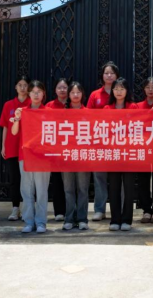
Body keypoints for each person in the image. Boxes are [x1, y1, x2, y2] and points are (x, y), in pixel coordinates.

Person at [11, 80, 51, 233]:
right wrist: (17, 118)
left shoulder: (48, 111)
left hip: (42, 156)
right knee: (26, 190)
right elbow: (14, 132)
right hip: (26, 155)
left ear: (43, 94)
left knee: (41, 191)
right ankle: (28, 222)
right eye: (33, 92)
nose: (36, 94)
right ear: (29, 94)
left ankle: (41, 222)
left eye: (39, 92)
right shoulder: (22, 111)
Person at [104, 78, 138, 231]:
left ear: (127, 91)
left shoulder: (133, 107)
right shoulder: (107, 108)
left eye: (122, 88)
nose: (119, 92)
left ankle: (127, 220)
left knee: (129, 188)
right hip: (113, 153)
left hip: (129, 153)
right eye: (116, 89)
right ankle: (115, 219)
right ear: (112, 91)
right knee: (114, 188)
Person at [87, 61, 119, 221]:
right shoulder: (95, 95)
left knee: (116, 178)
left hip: (117, 142)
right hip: (99, 141)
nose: (109, 76)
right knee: (99, 177)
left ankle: (117, 209)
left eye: (112, 73)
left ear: (117, 76)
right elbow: (87, 116)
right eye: (106, 73)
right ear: (102, 76)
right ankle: (100, 209)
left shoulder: (121, 92)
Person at [0, 78, 31, 220]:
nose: (22, 88)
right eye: (20, 85)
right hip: (12, 145)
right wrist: (4, 145)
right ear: (15, 87)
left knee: (27, 180)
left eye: (25, 85)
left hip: (27, 147)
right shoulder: (8, 105)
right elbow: (5, 126)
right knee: (14, 179)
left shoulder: (32, 104)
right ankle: (15, 208)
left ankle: (27, 208)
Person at [61, 82, 91, 231]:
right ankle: (69, 218)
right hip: (67, 156)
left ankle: (82, 218)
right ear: (68, 95)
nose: (75, 95)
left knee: (83, 189)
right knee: (68, 189)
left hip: (83, 156)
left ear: (82, 94)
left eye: (78, 92)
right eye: (72, 92)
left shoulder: (89, 113)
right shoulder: (62, 113)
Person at [136, 77, 153, 224]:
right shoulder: (138, 106)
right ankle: (146, 209)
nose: (150, 90)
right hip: (143, 147)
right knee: (143, 180)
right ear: (144, 89)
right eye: (147, 87)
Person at [45, 78, 68, 222]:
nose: (62, 90)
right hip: (54, 148)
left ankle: (71, 210)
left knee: (71, 181)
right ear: (55, 90)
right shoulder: (49, 106)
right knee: (57, 180)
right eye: (59, 87)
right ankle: (59, 211)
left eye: (65, 87)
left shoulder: (73, 104)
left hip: (71, 148)